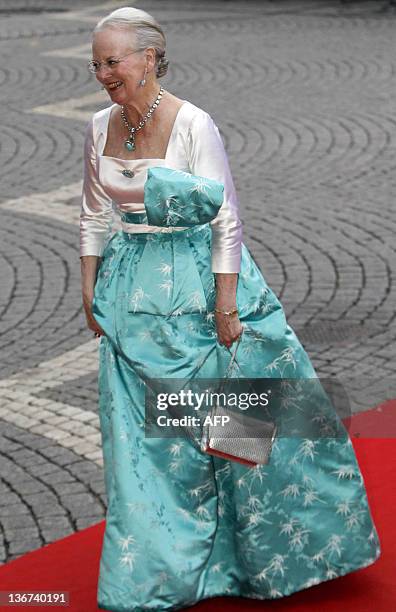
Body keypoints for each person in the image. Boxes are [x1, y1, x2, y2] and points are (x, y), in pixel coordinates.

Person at [80, 7, 381, 611]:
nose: (103, 74)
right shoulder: (96, 126)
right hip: (131, 299)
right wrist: (89, 292)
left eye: (113, 61)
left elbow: (227, 219)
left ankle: (252, 559)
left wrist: (225, 307)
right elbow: (93, 215)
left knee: (235, 433)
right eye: (96, 64)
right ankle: (155, 571)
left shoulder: (195, 124)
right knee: (144, 446)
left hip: (199, 294)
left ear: (149, 57)